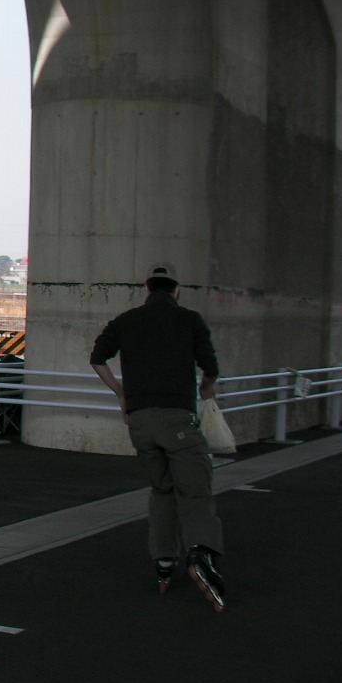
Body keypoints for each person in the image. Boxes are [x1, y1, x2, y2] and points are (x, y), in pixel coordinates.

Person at [89, 261, 225, 611]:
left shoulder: (126, 320)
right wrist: (207, 388)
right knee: (195, 489)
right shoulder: (189, 319)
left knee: (161, 489)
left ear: (147, 288)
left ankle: (164, 561)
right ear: (177, 290)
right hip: (177, 420)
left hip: (140, 423)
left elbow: (98, 357)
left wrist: (121, 394)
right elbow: (210, 366)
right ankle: (201, 554)